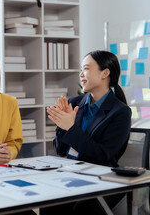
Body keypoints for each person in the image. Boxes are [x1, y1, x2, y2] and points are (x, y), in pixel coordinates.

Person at [43, 50, 132, 214]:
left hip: (104, 178)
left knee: (81, 210)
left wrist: (70, 128)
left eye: (86, 69)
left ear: (105, 73)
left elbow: (101, 156)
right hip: (72, 172)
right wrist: (63, 127)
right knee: (49, 203)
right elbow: (61, 150)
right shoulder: (74, 103)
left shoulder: (120, 112)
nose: (81, 74)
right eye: (81, 70)